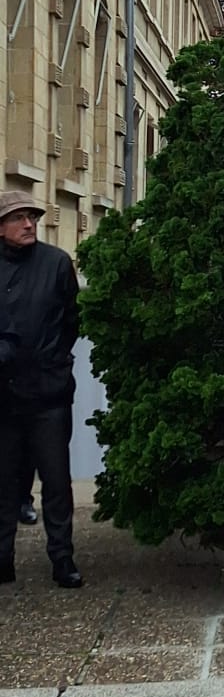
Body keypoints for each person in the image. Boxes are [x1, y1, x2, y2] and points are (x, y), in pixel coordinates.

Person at [0, 191, 83, 587]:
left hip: (49, 393)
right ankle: (3, 558)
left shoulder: (56, 263)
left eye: (32, 216)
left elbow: (71, 321)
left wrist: (55, 361)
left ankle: (62, 558)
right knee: (4, 482)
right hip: (4, 395)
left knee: (56, 480)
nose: (29, 224)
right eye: (18, 218)